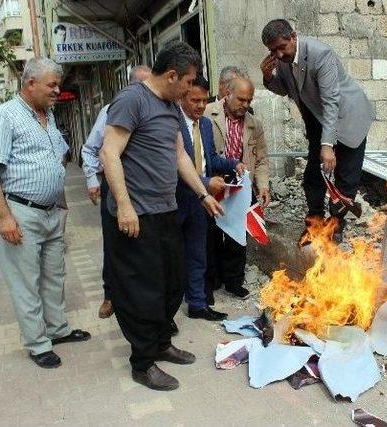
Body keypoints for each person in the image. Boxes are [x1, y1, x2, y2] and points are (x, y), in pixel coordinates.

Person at [100, 41, 224, 391]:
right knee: (143, 290)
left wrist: (202, 194)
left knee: (172, 282)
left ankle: (161, 344)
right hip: (137, 215)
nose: (191, 89)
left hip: (166, 210)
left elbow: (180, 156)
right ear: (172, 75)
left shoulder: (170, 107)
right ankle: (142, 362)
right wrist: (124, 205)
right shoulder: (131, 100)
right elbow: (110, 153)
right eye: (188, 82)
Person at [0, 58, 90, 369]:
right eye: (52, 84)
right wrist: (4, 217)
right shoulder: (4, 117)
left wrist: (62, 200)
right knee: (25, 281)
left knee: (54, 275)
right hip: (19, 210)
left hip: (51, 211)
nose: (58, 90)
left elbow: (56, 160)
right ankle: (38, 343)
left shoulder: (48, 116)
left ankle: (58, 329)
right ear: (30, 84)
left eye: (59, 84)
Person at [260, 19, 374, 242]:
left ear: (293, 36)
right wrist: (267, 77)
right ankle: (315, 222)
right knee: (313, 175)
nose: (279, 54)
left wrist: (328, 145)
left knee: (345, 177)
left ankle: (336, 225)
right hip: (317, 119)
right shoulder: (281, 60)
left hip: (347, 117)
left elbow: (331, 101)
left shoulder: (321, 54)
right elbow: (284, 89)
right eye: (273, 50)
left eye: (281, 47)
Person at [81, 65, 151, 320]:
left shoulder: (155, 110)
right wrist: (92, 181)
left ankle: (140, 297)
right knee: (114, 243)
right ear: (132, 86)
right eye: (144, 85)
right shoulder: (111, 110)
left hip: (144, 189)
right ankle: (110, 294)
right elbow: (91, 150)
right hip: (113, 185)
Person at [177, 74, 245, 321]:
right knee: (173, 258)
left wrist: (232, 163)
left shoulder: (204, 125)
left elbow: (211, 159)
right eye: (195, 100)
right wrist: (206, 183)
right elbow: (173, 165)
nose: (200, 106)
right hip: (175, 199)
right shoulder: (170, 124)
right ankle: (166, 314)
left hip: (201, 201)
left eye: (204, 101)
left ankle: (198, 304)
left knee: (198, 254)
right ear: (182, 96)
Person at [205, 76, 270, 301]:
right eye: (241, 99)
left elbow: (261, 159)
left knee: (239, 233)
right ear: (227, 94)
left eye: (249, 100)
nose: (245, 104)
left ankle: (234, 281)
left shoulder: (254, 124)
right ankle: (212, 278)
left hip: (242, 183)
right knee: (212, 231)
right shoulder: (207, 114)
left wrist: (263, 186)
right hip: (215, 181)